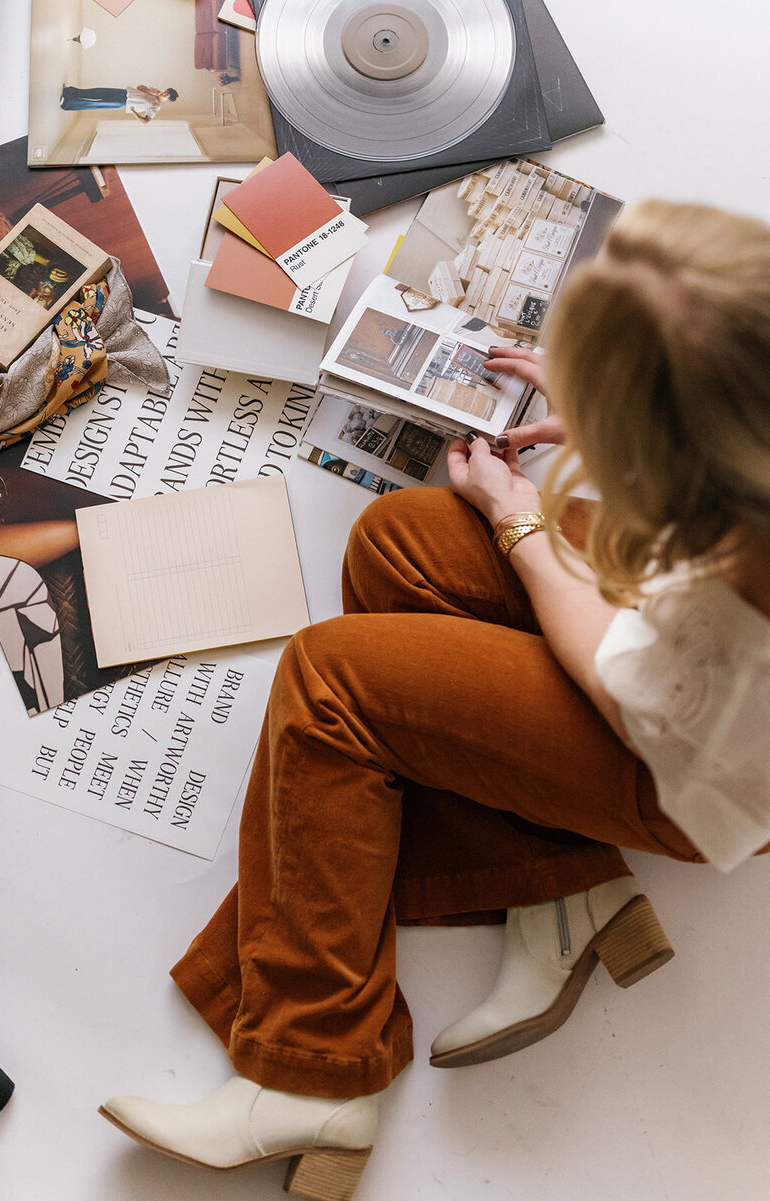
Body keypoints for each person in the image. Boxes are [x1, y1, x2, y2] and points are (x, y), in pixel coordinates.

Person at [99, 199, 770, 1199]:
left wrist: (521, 525)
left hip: (696, 760)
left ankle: (308, 1071)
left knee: (332, 680)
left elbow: (622, 677)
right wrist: (615, 401)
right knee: (399, 543)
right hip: (694, 639)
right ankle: (560, 885)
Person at [59, 85, 178, 123]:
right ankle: (70, 92)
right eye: (166, 92)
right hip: (124, 92)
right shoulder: (155, 91)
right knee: (97, 92)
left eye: (167, 95)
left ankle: (68, 103)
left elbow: (146, 120)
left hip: (123, 102)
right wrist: (152, 92)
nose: (164, 93)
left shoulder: (156, 106)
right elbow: (139, 87)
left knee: (96, 104)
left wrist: (135, 113)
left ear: (168, 100)